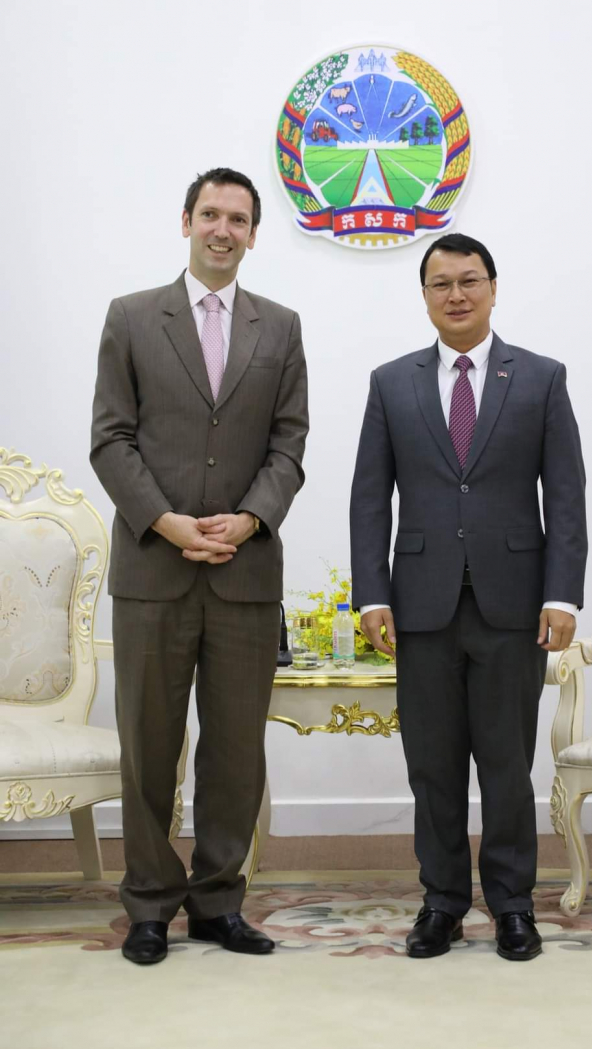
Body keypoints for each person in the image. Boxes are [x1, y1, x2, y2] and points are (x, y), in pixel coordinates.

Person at [91, 167, 308, 965]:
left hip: (246, 576)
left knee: (235, 752)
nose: (223, 229)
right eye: (210, 214)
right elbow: (110, 437)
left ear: (253, 233)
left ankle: (219, 902)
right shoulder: (131, 317)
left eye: (238, 219)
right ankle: (149, 903)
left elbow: (289, 443)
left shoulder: (280, 327)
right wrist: (167, 521)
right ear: (186, 221)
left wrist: (249, 519)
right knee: (148, 748)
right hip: (153, 570)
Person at [349, 233, 586, 961]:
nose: (456, 295)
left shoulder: (540, 378)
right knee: (433, 766)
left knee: (508, 765)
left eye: (469, 280)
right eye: (441, 284)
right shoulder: (391, 382)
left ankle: (513, 905)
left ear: (492, 288)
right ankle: (443, 903)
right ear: (424, 295)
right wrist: (371, 594)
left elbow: (566, 496)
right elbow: (370, 498)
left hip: (514, 606)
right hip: (420, 607)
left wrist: (563, 595)